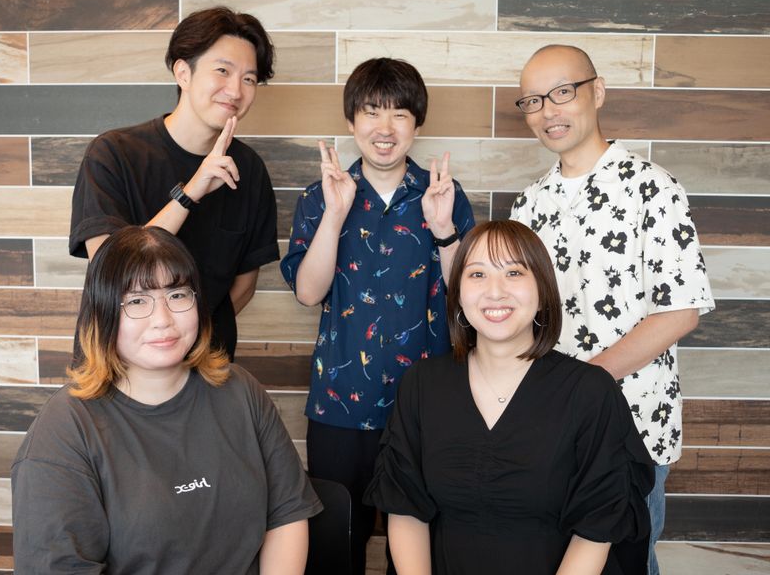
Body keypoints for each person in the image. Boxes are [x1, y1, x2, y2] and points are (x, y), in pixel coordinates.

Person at [509, 44, 715, 574]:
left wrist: (585, 384)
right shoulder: (528, 204)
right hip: (549, 425)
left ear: (597, 92)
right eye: (533, 101)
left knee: (628, 561)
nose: (548, 111)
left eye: (562, 92)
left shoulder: (654, 188)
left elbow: (681, 310)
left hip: (633, 425)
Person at [12, 226, 322, 574]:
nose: (163, 320)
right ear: (102, 312)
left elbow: (286, 513)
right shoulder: (64, 431)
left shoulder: (240, 390)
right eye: (137, 300)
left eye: (177, 295)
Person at [365, 220, 655, 575]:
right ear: (458, 294)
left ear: (542, 290)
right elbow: (405, 508)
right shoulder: (421, 385)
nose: (495, 291)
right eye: (477, 274)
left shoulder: (591, 392)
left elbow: (596, 529)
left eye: (514, 273)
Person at [280, 57, 475, 574]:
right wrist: (335, 214)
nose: (384, 128)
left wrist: (444, 231)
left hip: (427, 403)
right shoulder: (319, 196)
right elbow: (308, 292)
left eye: (399, 115)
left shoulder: (444, 195)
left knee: (417, 549)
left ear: (417, 125)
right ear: (351, 121)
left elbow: (470, 300)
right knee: (337, 540)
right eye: (371, 111)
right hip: (341, 402)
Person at [69, 7, 280, 361]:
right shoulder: (113, 154)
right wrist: (191, 192)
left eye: (249, 79)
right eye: (223, 71)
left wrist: (186, 345)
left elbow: (244, 284)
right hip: (115, 370)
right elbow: (111, 270)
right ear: (183, 72)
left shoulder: (249, 170)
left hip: (206, 369)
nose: (235, 90)